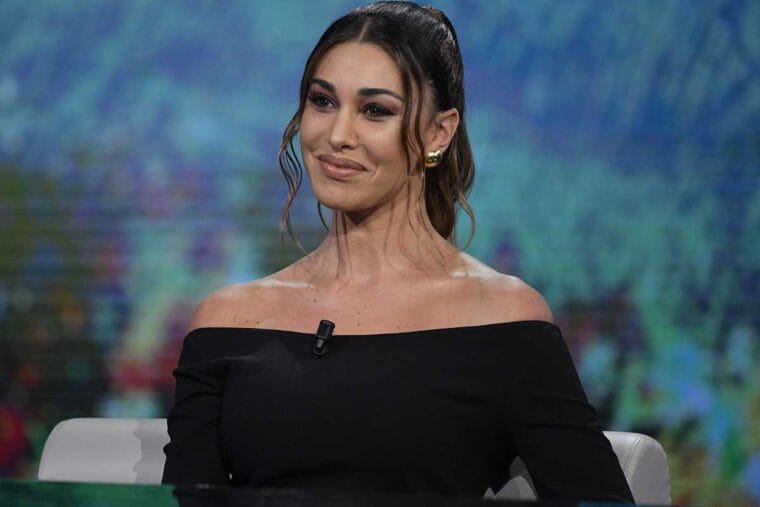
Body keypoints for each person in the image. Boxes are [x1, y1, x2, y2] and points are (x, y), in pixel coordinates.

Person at [162, 1, 634, 502]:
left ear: (438, 133)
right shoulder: (227, 322)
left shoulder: (501, 319)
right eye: (322, 101)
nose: (337, 136)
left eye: (375, 110)